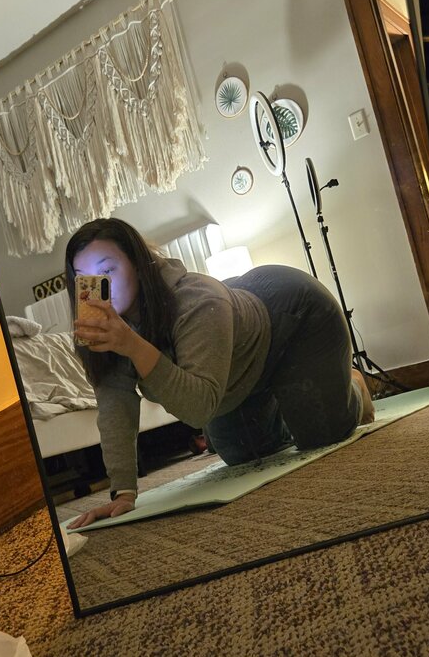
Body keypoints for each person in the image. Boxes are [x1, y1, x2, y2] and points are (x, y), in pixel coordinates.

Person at [65, 218, 374, 526]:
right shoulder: (107, 328)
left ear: (138, 263)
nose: (99, 289)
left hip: (293, 315)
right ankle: (286, 398)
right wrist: (122, 492)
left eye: (107, 271)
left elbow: (198, 409)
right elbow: (115, 405)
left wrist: (132, 345)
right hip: (240, 363)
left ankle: (353, 384)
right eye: (85, 279)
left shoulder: (195, 300)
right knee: (244, 455)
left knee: (322, 435)